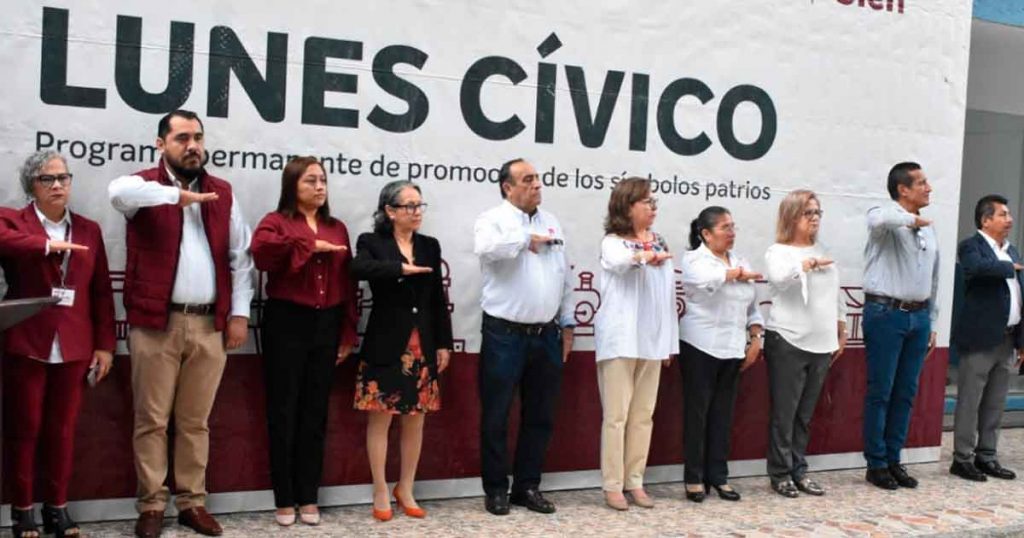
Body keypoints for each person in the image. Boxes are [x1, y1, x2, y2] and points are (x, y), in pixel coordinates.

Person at [108, 110, 254, 538]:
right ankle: (152, 505)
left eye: (199, 138)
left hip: (209, 325)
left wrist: (240, 314)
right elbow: (117, 192)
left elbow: (240, 258)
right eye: (183, 137)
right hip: (157, 323)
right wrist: (176, 197)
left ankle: (192, 502)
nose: (193, 146)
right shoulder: (143, 189)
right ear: (161, 144)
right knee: (151, 419)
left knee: (195, 421)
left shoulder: (222, 192)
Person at [1, 151, 116, 538]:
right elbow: (6, 240)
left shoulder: (88, 229)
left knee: (62, 430)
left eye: (63, 178)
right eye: (47, 179)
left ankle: (57, 508)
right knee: (24, 427)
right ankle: (22, 511)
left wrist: (105, 346)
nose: (57, 186)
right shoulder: (14, 221)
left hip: (73, 343)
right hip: (26, 341)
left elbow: (100, 292)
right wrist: (48, 247)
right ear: (31, 186)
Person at [250, 156, 359, 526]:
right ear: (292, 186)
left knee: (315, 413)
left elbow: (347, 284)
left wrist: (347, 331)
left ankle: (308, 496)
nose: (319, 186)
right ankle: (284, 498)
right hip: (287, 322)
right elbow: (262, 253)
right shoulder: (277, 222)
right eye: (310, 180)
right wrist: (307, 245)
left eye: (323, 180)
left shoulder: (337, 227)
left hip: (326, 323)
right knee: (283, 411)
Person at [473, 158, 575, 516]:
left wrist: (567, 323)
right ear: (507, 186)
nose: (537, 185)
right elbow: (486, 250)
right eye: (528, 179)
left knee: (541, 414)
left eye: (538, 179)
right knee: (497, 414)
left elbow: (564, 274)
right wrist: (523, 238)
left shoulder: (552, 222)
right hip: (504, 333)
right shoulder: (492, 220)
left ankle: (527, 486)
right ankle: (497, 489)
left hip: (546, 333)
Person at [351, 180, 453, 521]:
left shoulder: (430, 246)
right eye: (408, 205)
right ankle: (380, 488)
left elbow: (437, 298)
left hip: (421, 342)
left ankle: (405, 486)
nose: (416, 211)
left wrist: (443, 342)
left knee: (416, 421)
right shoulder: (372, 242)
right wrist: (399, 269)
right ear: (390, 211)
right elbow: (358, 268)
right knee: (380, 419)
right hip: (386, 342)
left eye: (419, 205)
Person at [593, 178, 677, 511]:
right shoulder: (613, 242)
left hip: (651, 340)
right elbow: (619, 263)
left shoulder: (660, 242)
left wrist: (668, 341)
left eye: (654, 201)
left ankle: (636, 481)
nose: (652, 207)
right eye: (645, 201)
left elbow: (668, 294)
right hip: (619, 339)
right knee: (616, 416)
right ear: (627, 206)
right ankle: (612, 485)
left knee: (644, 415)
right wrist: (643, 257)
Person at [763, 190, 847, 498]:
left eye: (818, 213)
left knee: (805, 414)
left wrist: (841, 327)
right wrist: (807, 264)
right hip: (788, 339)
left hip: (821, 343)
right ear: (791, 217)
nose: (814, 219)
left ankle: (799, 469)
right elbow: (779, 280)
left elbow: (835, 292)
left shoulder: (822, 249)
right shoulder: (779, 251)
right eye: (808, 213)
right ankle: (780, 473)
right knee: (785, 413)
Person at [862, 162, 939, 490]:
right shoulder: (887, 220)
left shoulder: (928, 227)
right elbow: (878, 218)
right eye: (921, 183)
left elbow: (934, 276)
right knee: (881, 391)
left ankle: (894, 458)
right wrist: (911, 219)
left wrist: (932, 319)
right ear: (902, 189)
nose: (929, 187)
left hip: (918, 317)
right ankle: (876, 462)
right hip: (886, 314)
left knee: (906, 392)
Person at [678, 206, 764, 503]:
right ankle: (693, 477)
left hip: (732, 347)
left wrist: (755, 337)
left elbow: (752, 305)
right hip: (700, 345)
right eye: (725, 227)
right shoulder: (694, 259)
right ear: (705, 233)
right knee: (697, 413)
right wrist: (735, 274)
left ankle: (719, 476)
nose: (732, 233)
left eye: (733, 227)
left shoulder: (740, 260)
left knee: (723, 416)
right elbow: (707, 281)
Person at [949, 194, 1023, 482]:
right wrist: (1009, 268)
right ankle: (962, 458)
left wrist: (1021, 340)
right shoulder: (971, 247)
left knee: (995, 402)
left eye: (1009, 214)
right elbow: (975, 269)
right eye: (1003, 214)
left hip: (1006, 339)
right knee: (970, 400)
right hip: (980, 338)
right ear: (986, 220)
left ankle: (987, 455)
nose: (1009, 220)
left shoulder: (1012, 250)